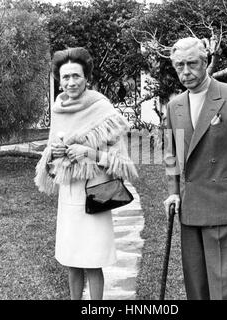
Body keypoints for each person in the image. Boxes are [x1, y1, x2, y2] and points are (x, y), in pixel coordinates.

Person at [34, 47, 137, 300]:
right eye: (65, 77)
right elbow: (50, 163)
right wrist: (53, 153)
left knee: (92, 260)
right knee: (72, 260)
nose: (70, 82)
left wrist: (88, 153)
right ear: (59, 79)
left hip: (94, 193)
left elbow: (121, 162)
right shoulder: (58, 109)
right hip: (68, 196)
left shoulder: (102, 108)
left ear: (86, 78)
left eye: (76, 76)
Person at [163, 37, 227, 300]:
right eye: (179, 66)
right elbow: (172, 154)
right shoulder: (174, 106)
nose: (186, 72)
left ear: (205, 62)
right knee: (198, 288)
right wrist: (173, 191)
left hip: (226, 210)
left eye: (192, 64)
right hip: (191, 211)